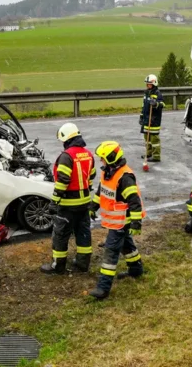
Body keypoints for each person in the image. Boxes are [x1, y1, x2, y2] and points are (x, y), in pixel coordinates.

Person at [88, 141, 145, 299]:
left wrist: (135, 223)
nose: (101, 161)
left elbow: (134, 201)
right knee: (126, 244)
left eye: (103, 158)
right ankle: (136, 270)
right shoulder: (108, 172)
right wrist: (93, 206)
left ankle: (103, 288)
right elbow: (102, 192)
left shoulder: (125, 177)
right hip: (116, 221)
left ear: (111, 158)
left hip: (122, 221)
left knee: (111, 252)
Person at [40, 123, 96, 275]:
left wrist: (54, 202)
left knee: (60, 235)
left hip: (67, 206)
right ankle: (83, 263)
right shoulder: (88, 154)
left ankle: (58, 266)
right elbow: (91, 177)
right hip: (84, 204)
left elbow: (63, 181)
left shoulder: (66, 156)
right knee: (83, 233)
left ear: (66, 138)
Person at [140, 74, 163, 162]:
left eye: (149, 84)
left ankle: (156, 156)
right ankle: (148, 153)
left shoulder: (158, 93)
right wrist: (141, 116)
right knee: (147, 138)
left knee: (154, 139)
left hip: (154, 119)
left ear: (154, 84)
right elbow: (143, 105)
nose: (147, 85)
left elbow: (162, 104)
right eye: (147, 84)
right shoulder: (146, 93)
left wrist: (156, 104)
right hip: (146, 119)